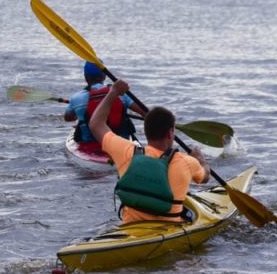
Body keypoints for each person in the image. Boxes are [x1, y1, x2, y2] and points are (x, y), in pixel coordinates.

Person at [89, 80, 209, 224]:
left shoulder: (127, 152)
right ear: (170, 133)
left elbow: (96, 123)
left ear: (145, 131)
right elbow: (205, 178)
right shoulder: (188, 162)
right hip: (171, 227)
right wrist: (201, 160)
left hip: (131, 226)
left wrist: (113, 92)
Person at [64, 62, 144, 154]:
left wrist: (79, 113)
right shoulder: (121, 94)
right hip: (120, 146)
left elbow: (68, 118)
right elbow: (143, 112)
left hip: (89, 148)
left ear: (85, 77)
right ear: (104, 76)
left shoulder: (76, 98)